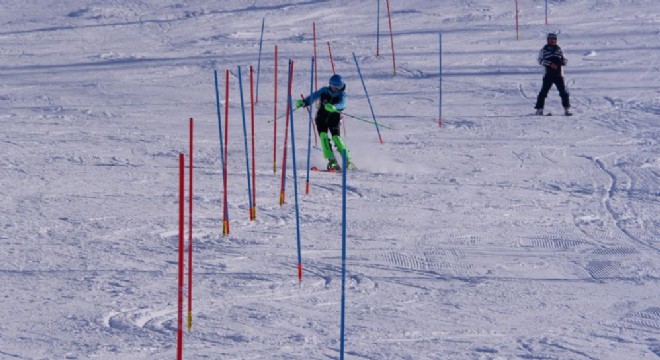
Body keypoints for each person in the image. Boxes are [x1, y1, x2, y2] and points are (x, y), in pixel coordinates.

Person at [295, 74, 355, 171]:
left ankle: (347, 159)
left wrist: (335, 107)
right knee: (323, 137)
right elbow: (313, 96)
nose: (335, 90)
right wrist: (304, 102)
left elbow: (342, 104)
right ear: (330, 85)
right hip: (321, 118)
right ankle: (331, 160)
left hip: (334, 118)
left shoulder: (343, 94)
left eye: (338, 88)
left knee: (336, 138)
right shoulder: (324, 91)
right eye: (333, 87)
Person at [534, 33, 572, 116]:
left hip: (559, 75)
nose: (553, 41)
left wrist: (561, 62)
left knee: (563, 92)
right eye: (551, 39)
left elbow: (565, 60)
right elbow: (540, 61)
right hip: (548, 75)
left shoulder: (559, 49)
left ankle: (566, 109)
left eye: (554, 40)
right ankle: (539, 109)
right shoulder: (543, 50)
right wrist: (549, 64)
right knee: (543, 92)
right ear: (548, 40)